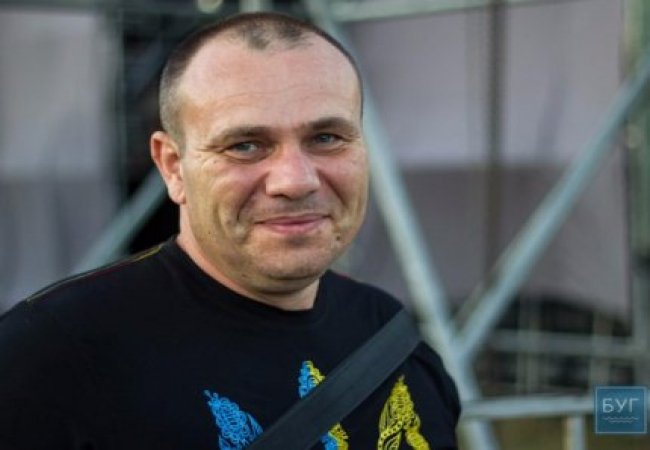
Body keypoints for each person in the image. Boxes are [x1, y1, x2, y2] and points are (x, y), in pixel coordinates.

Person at [0, 12, 460, 450]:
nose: (295, 180)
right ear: (173, 166)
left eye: (326, 138)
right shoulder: (50, 355)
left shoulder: (390, 334)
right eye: (245, 145)